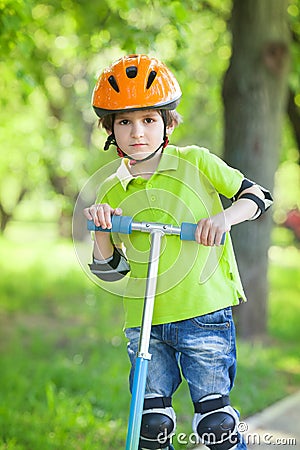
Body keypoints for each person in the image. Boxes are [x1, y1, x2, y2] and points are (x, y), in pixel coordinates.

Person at [84, 54, 273, 450]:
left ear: (168, 123)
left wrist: (224, 218)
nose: (138, 132)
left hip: (202, 314)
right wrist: (103, 228)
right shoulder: (111, 191)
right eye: (125, 122)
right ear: (109, 129)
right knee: (150, 427)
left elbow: (258, 195)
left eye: (149, 120)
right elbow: (111, 272)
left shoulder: (195, 163)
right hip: (144, 323)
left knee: (215, 423)